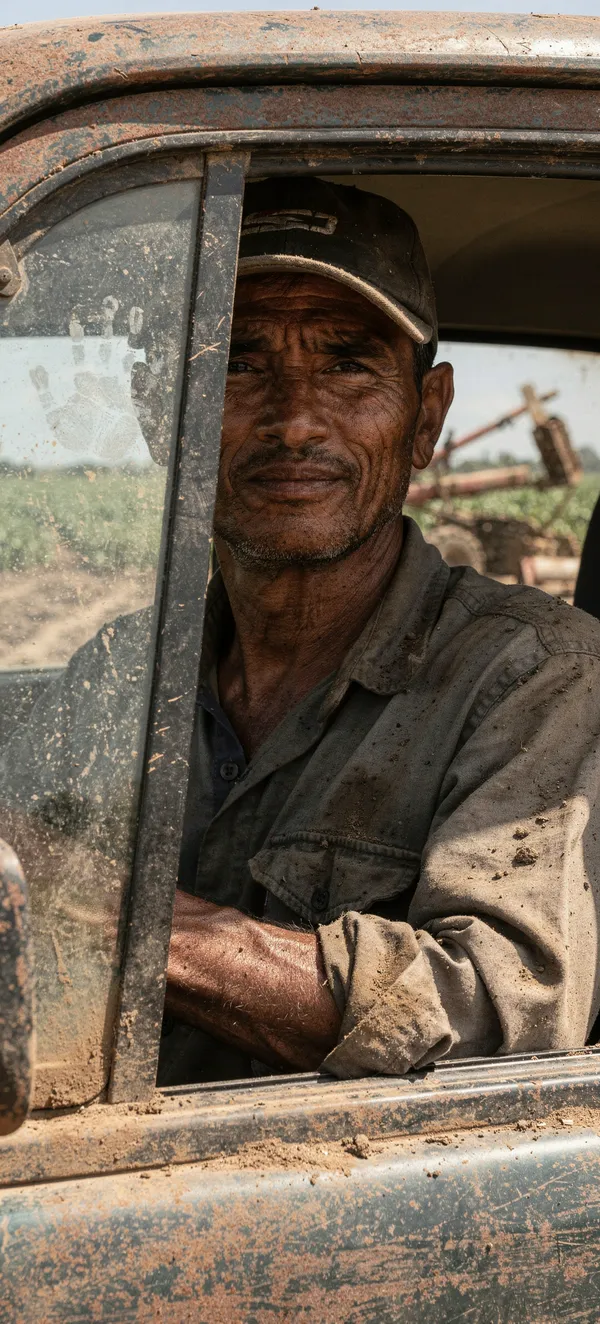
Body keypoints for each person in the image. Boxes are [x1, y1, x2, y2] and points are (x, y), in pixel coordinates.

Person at [3, 177, 600, 1087]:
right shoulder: (116, 673)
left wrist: (98, 904)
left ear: (426, 418)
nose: (293, 419)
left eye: (348, 364)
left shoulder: (534, 677)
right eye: (237, 364)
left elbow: (488, 1014)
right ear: (162, 406)